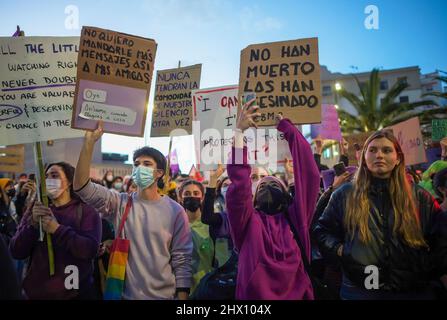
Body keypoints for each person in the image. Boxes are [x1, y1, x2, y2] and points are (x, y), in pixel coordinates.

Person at [314, 130, 447, 300]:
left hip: (413, 292)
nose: (379, 155)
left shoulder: (420, 197)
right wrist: (343, 251)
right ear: (364, 157)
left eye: (386, 150)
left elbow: (441, 240)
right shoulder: (344, 195)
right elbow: (322, 231)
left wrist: (424, 266)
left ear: (398, 158)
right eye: (373, 150)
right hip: (359, 292)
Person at [73, 121, 192, 300]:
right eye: (136, 164)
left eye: (147, 163)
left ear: (159, 173)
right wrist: (88, 143)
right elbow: (82, 187)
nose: (139, 167)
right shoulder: (119, 203)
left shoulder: (175, 211)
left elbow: (182, 260)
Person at [226, 99, 320, 300]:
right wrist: (239, 133)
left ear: (287, 196)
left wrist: (288, 130)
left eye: (275, 184)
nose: (268, 185)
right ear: (253, 199)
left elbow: (309, 175)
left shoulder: (296, 220)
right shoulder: (245, 223)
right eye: (261, 186)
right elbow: (239, 183)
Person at [9, 162, 101, 299]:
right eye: (46, 176)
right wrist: (32, 224)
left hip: (74, 293)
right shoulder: (35, 210)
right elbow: (16, 250)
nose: (49, 180)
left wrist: (57, 230)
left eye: (54, 175)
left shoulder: (86, 212)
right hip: (37, 293)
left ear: (70, 181)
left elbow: (89, 249)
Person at [178, 179, 214, 294]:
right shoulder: (175, 225)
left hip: (206, 288)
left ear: (202, 197)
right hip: (180, 290)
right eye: (187, 194)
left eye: (196, 193)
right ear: (180, 197)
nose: (192, 196)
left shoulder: (211, 225)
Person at [202, 164, 234, 267]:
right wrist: (213, 180)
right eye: (225, 185)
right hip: (224, 272)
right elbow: (207, 218)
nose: (229, 188)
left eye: (232, 184)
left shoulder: (252, 214)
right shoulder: (223, 217)